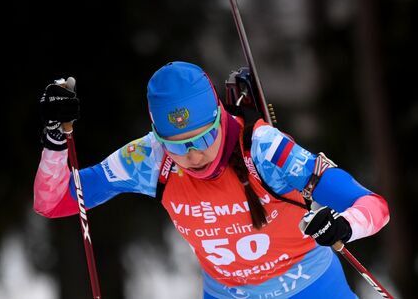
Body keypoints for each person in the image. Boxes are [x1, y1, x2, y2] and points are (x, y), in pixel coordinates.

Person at [34, 61, 390, 298]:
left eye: (204, 137)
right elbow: (55, 202)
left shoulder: (263, 149)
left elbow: (374, 205)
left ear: (221, 117)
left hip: (310, 288)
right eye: (177, 145)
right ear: (159, 136)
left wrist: (343, 226)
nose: (194, 154)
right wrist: (54, 139)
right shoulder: (148, 158)